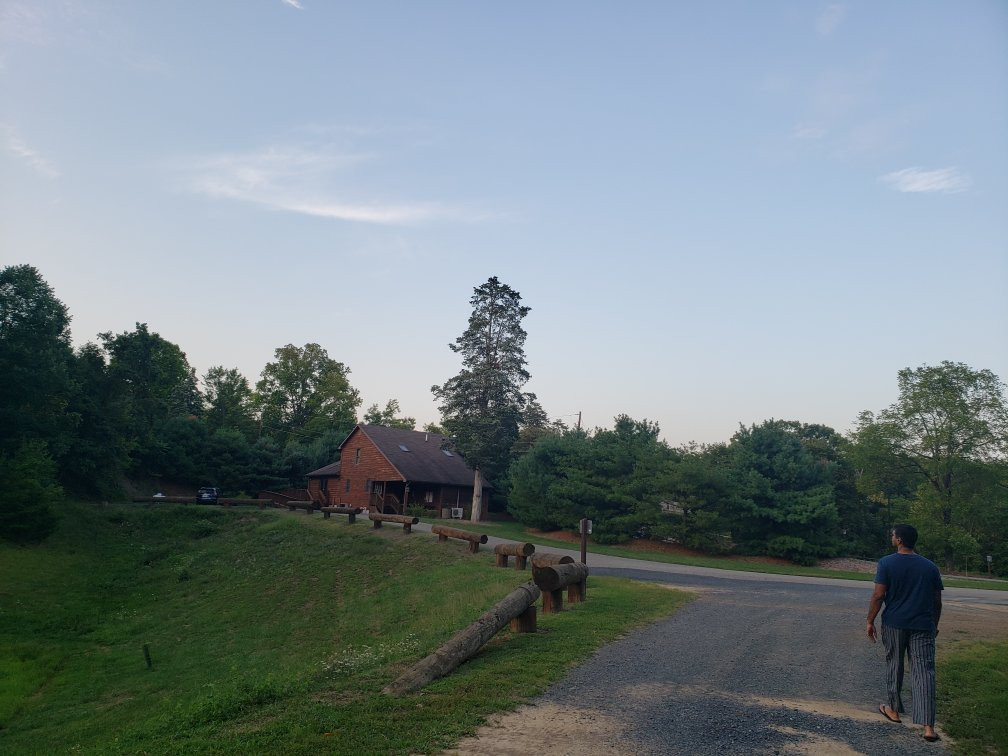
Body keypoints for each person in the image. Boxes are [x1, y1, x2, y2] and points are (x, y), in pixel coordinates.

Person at [866, 524, 943, 743]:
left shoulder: (887, 563)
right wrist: (933, 625)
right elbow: (937, 602)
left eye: (893, 535)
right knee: (924, 671)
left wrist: (870, 620)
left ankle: (893, 710)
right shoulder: (930, 567)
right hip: (923, 626)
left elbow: (878, 596)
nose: (892, 538)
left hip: (895, 623)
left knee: (895, 664)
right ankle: (928, 727)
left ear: (899, 540)